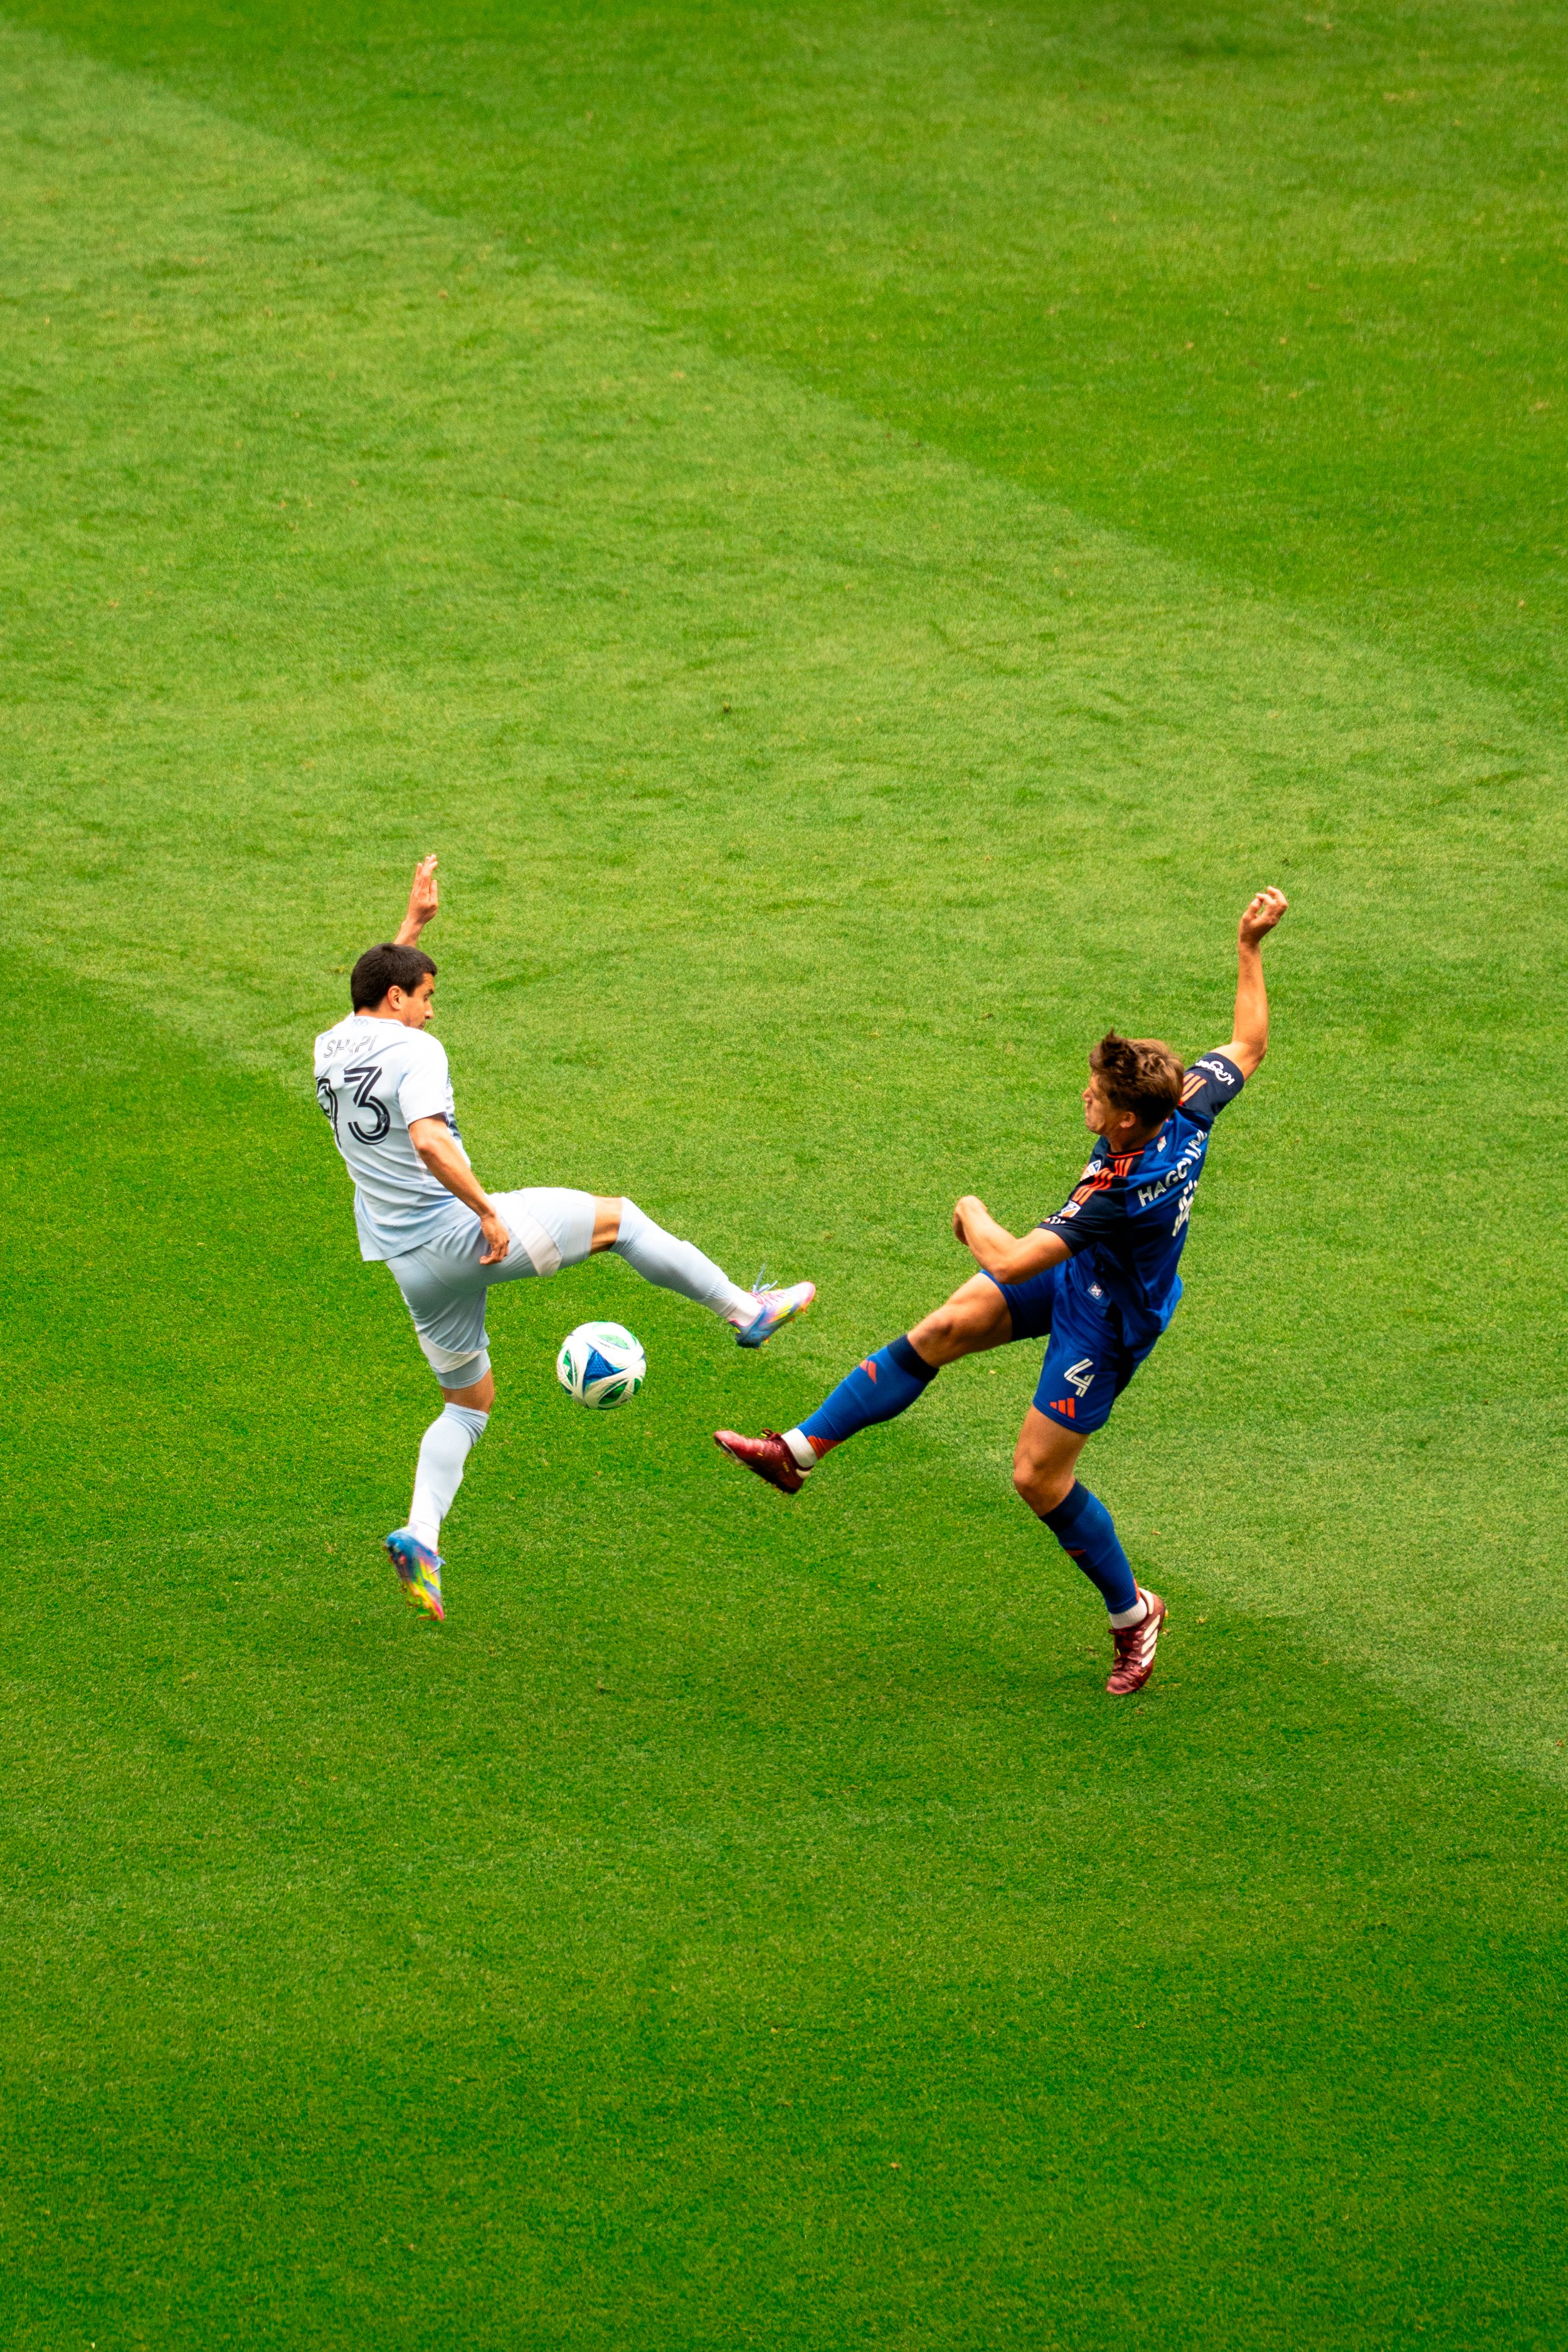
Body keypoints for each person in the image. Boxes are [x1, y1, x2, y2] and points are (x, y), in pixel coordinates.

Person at [715, 888, 1288, 1698]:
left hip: (1110, 1320)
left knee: (1036, 1477)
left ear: (1128, 1120)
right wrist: (1249, 945)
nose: (1085, 1096)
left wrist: (970, 1212)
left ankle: (1134, 1615)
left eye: (1096, 1094)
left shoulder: (1122, 1186)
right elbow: (1250, 1042)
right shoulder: (1188, 1103)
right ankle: (796, 1454)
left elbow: (1013, 1261)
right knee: (944, 1328)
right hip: (1084, 1269)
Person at [315, 857, 815, 1621]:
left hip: (407, 1263)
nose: (431, 1013)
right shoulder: (417, 1051)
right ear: (397, 998)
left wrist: (411, 929)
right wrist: (486, 1212)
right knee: (622, 1221)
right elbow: (429, 1140)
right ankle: (745, 1312)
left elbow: (375, 1009)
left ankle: (421, 1535)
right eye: (426, 997)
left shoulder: (330, 1046)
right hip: (460, 1233)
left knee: (468, 1406)